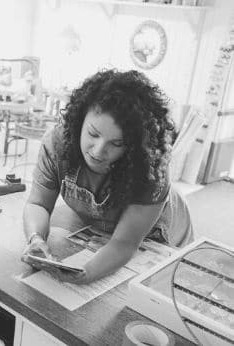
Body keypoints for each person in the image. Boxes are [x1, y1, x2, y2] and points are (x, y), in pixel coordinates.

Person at [22, 69, 194, 284]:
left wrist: (86, 274)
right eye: (93, 134)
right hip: (103, 227)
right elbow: (38, 203)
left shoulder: (150, 169)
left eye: (117, 143)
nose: (98, 151)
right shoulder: (58, 142)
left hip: (161, 230)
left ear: (133, 147)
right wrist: (36, 238)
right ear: (79, 120)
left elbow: (124, 242)